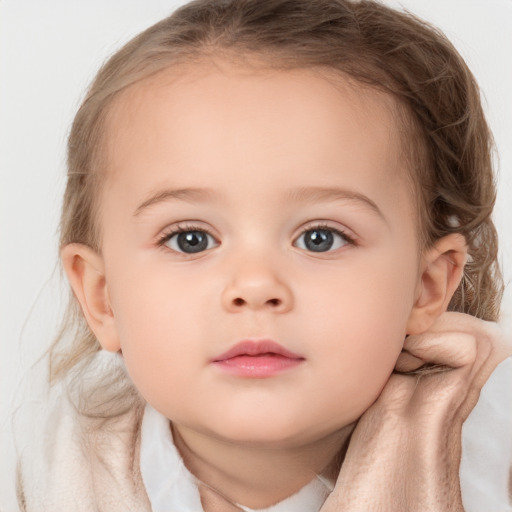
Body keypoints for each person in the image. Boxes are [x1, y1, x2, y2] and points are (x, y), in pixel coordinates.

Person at [15, 0, 511, 510]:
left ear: (426, 285)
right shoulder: (61, 464)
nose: (255, 285)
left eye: (321, 237)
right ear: (103, 298)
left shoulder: (488, 455)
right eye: (191, 239)